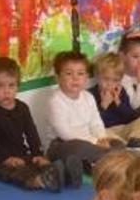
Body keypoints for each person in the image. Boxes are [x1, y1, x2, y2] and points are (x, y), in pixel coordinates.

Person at [0, 57, 64, 192]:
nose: (6, 91)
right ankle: (36, 182)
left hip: (21, 153)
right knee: (14, 171)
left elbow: (31, 133)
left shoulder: (22, 108)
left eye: (11, 85)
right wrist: (6, 158)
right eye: (0, 86)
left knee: (38, 163)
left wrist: (37, 154)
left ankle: (65, 175)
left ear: (17, 86)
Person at [46, 51, 111, 188]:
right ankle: (100, 162)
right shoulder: (55, 101)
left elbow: (96, 121)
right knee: (80, 147)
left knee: (116, 144)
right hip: (61, 145)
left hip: (88, 143)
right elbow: (65, 133)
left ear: (87, 77)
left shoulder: (88, 97)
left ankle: (84, 166)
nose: (75, 78)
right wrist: (94, 141)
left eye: (80, 74)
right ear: (58, 77)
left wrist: (102, 137)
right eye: (69, 74)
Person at [91, 53, 140, 152]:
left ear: (120, 81)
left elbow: (130, 117)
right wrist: (104, 105)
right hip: (107, 131)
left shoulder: (121, 92)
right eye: (106, 79)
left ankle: (135, 141)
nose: (110, 84)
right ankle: (125, 146)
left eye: (115, 80)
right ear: (97, 77)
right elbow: (93, 123)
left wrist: (118, 102)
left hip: (124, 129)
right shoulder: (91, 95)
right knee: (103, 133)